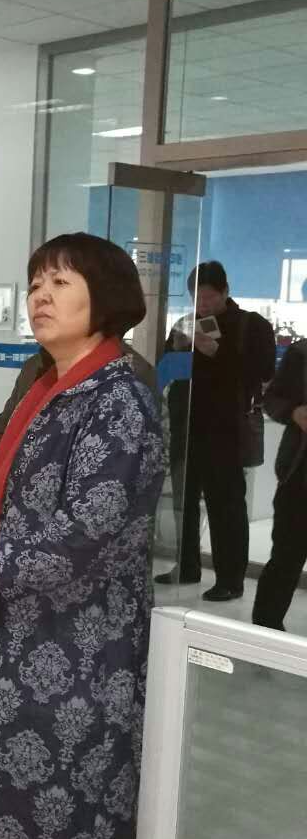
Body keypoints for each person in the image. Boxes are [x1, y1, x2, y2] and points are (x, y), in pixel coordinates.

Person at [0, 233, 165, 839]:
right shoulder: (46, 384)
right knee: (26, 830)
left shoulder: (118, 398)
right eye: (36, 283)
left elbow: (90, 525)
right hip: (17, 636)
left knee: (45, 829)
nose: (40, 296)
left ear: (105, 297)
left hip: (77, 649)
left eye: (60, 282)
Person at [159, 261, 275, 602]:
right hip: (186, 426)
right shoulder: (186, 324)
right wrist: (177, 347)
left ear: (225, 292)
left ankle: (230, 578)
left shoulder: (251, 325)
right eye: (197, 297)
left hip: (226, 430)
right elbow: (167, 367)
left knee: (226, 505)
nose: (203, 304)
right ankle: (187, 565)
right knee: (184, 501)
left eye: (209, 297)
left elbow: (263, 372)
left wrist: (216, 351)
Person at [0, 343, 156, 471]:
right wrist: (2, 482)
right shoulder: (36, 365)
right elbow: (1, 431)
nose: (38, 307)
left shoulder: (129, 375)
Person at [251, 338, 307, 632]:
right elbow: (273, 399)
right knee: (286, 555)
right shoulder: (301, 353)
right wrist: (294, 412)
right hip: (299, 474)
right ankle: (265, 631)